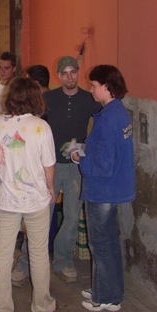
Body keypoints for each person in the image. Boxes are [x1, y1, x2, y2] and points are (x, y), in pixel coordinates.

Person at [0, 77, 56, 312]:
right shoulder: (41, 127)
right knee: (38, 252)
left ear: (10, 96)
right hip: (36, 200)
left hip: (6, 200)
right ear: (36, 98)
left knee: (2, 252)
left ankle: (1, 308)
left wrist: (5, 180)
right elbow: (48, 166)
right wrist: (51, 188)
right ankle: (41, 305)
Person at [70, 65, 135, 311]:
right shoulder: (118, 113)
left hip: (103, 189)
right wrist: (87, 147)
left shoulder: (109, 117)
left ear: (106, 87)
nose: (91, 89)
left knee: (101, 243)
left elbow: (103, 163)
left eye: (94, 85)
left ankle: (105, 298)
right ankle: (107, 289)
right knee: (108, 242)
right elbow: (109, 150)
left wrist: (80, 158)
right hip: (113, 187)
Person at [45, 56, 101, 282]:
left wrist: (88, 147)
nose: (70, 77)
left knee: (71, 216)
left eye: (73, 72)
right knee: (41, 216)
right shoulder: (48, 98)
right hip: (49, 165)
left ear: (79, 73)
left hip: (76, 167)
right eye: (65, 73)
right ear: (59, 75)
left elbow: (102, 128)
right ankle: (28, 262)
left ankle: (63, 260)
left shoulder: (90, 100)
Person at [11, 64, 51, 284]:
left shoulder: (41, 116)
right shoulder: (31, 117)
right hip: (33, 179)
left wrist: (49, 185)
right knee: (37, 239)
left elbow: (48, 160)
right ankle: (40, 296)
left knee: (33, 239)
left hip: (37, 179)